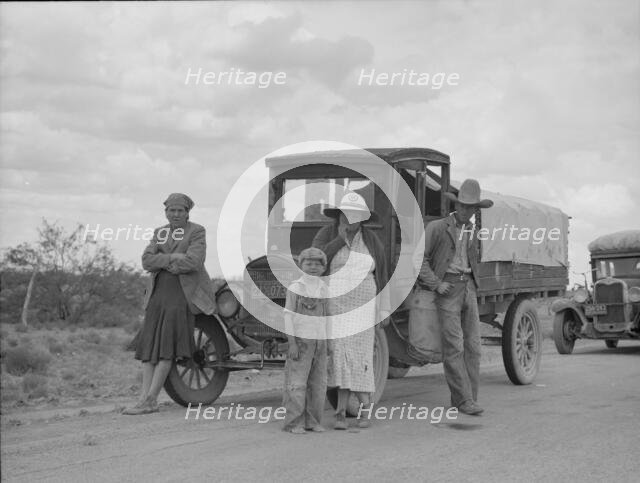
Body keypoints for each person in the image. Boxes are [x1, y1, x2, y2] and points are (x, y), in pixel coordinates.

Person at [123, 193, 216, 415]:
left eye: (180, 210)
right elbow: (146, 261)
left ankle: (151, 400)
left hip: (181, 295)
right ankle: (143, 399)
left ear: (187, 213)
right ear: (166, 212)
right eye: (171, 210)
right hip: (158, 295)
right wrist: (173, 259)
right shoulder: (160, 232)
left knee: (166, 350)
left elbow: (194, 261)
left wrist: (163, 261)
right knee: (149, 350)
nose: (175, 214)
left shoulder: (197, 231)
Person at [312, 192, 390, 430]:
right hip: (335, 307)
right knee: (338, 357)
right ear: (340, 215)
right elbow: (316, 261)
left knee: (362, 359)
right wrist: (339, 239)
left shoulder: (371, 240)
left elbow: (383, 275)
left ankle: (365, 411)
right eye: (347, 214)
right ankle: (340, 413)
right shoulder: (327, 234)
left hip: (363, 308)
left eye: (356, 215)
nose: (351, 219)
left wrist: (384, 310)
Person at [417, 179, 493, 416]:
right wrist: (436, 283)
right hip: (448, 289)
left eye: (470, 207)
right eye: (462, 206)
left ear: (475, 210)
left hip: (468, 287)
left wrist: (472, 284)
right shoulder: (437, 228)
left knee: (474, 347)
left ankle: (468, 398)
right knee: (455, 347)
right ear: (456, 205)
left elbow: (472, 260)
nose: (465, 211)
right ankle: (464, 401)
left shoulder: (473, 230)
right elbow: (420, 260)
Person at [282, 247, 329, 434]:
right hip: (301, 342)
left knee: (318, 384)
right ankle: (294, 422)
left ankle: (313, 421)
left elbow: (328, 317)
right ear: (301, 266)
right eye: (308, 263)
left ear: (323, 268)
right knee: (297, 383)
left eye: (317, 264)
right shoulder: (295, 288)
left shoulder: (324, 290)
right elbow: (288, 317)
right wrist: (292, 343)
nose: (313, 267)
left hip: (321, 342)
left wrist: (329, 343)